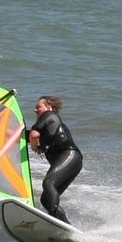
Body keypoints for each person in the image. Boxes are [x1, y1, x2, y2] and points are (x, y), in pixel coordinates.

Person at [28, 95, 82, 224]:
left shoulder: (49, 115)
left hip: (70, 155)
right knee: (45, 199)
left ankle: (54, 216)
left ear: (49, 107)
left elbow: (33, 135)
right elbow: (24, 135)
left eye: (38, 107)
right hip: (74, 162)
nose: (35, 110)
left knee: (48, 183)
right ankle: (65, 225)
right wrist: (0, 127)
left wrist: (35, 147)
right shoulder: (47, 127)